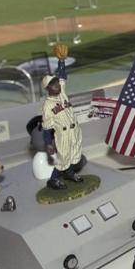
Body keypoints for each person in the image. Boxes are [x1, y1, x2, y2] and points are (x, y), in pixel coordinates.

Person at [42, 44, 84, 190]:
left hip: (74, 130)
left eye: (56, 83)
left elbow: (62, 76)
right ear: (47, 89)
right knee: (63, 159)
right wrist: (48, 143)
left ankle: (70, 174)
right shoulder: (47, 106)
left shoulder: (62, 93)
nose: (56, 85)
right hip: (63, 134)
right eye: (52, 85)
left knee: (75, 155)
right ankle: (53, 180)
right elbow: (47, 128)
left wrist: (61, 61)